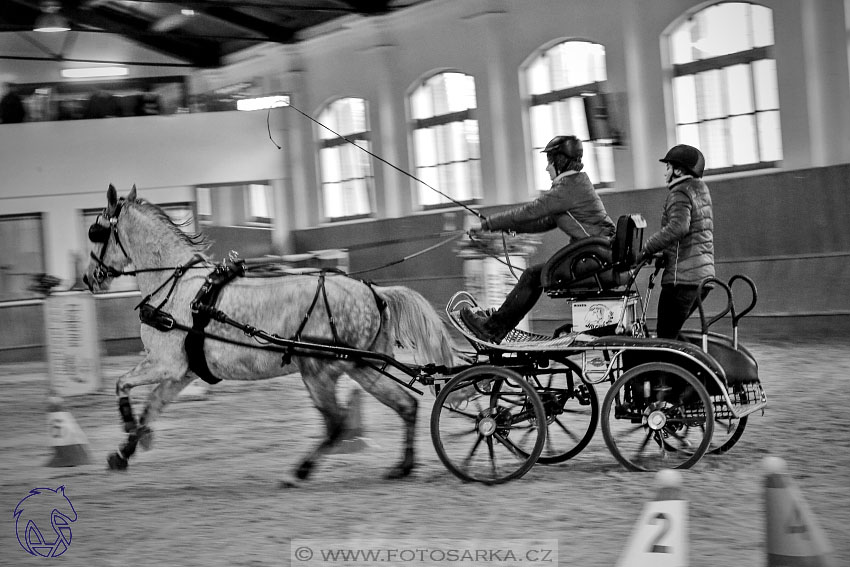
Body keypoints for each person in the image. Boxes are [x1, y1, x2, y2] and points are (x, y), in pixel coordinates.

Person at [460, 135, 615, 343]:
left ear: (560, 162)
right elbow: (543, 222)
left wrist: (487, 225)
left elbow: (529, 211)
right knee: (534, 275)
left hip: (593, 257)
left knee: (533, 276)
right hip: (597, 255)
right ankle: (495, 325)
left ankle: (493, 328)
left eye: (549, 162)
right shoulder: (577, 184)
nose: (547, 169)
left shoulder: (566, 189)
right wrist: (506, 227)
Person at [640, 144, 714, 339]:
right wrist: (665, 254)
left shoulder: (680, 192)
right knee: (671, 333)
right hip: (702, 278)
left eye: (668, 167)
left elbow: (678, 228)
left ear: (678, 170)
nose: (665, 173)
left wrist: (647, 248)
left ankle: (667, 370)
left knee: (665, 337)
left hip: (682, 279)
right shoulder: (700, 189)